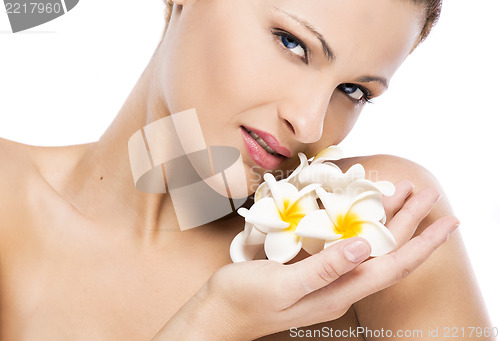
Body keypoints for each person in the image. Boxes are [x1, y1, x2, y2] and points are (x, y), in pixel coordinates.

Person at [0, 0, 494, 340]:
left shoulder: (373, 222)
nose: (308, 121)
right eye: (292, 43)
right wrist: (213, 322)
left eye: (353, 91)